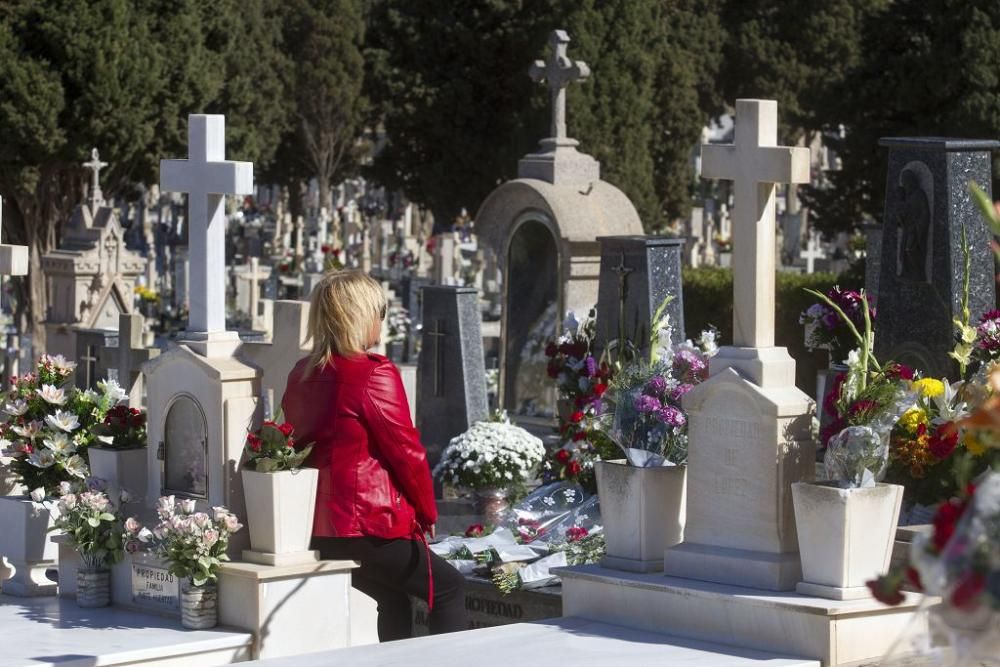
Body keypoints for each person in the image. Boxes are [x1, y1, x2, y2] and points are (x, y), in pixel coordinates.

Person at [281, 270, 466, 641]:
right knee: (449, 589)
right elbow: (407, 453)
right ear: (359, 315)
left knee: (394, 598)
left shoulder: (302, 373)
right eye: (379, 311)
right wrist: (429, 512)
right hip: (366, 525)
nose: (381, 321)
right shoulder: (372, 374)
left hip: (317, 527)